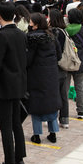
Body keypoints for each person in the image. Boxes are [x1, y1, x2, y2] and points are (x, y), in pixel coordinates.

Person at [0, 1, 27, 164]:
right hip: (19, 82)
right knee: (16, 123)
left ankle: (9, 163)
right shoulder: (20, 34)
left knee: (5, 124)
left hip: (4, 84)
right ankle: (19, 160)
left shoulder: (1, 36)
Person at [26, 13, 61, 144]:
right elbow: (59, 55)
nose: (29, 24)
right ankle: (53, 133)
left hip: (36, 74)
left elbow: (28, 59)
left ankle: (37, 135)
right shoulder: (52, 36)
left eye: (30, 22)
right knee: (51, 103)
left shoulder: (31, 38)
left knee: (36, 104)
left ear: (35, 24)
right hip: (51, 73)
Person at [62, 8, 83, 119]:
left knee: (65, 88)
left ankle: (64, 113)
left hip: (67, 62)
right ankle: (81, 111)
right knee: (80, 88)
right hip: (81, 61)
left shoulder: (65, 30)